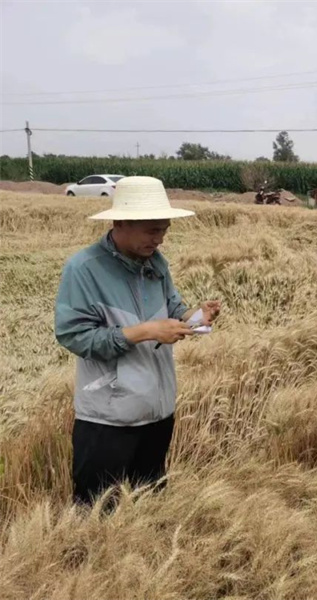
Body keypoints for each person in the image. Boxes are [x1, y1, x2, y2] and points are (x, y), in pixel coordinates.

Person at [55, 176, 222, 506]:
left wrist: (198, 317)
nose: (159, 239)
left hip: (158, 412)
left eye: (164, 229)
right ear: (120, 223)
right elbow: (73, 336)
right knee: (97, 511)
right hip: (108, 418)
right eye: (151, 230)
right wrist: (146, 331)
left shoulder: (156, 263)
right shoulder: (84, 270)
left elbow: (173, 310)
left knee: (150, 506)